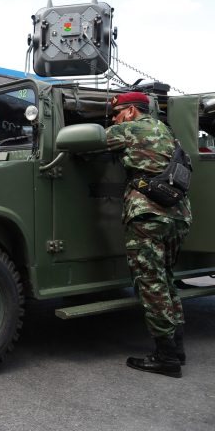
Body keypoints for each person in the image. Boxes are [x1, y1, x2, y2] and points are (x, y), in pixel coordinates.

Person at [105, 91, 192, 378]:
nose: (114, 120)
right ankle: (177, 347)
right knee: (165, 279)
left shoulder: (128, 129)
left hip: (147, 215)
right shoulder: (167, 132)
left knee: (150, 283)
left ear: (130, 112)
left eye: (116, 114)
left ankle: (165, 356)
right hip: (177, 215)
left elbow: (95, 141)